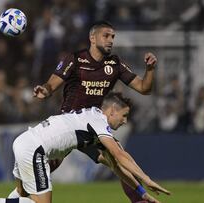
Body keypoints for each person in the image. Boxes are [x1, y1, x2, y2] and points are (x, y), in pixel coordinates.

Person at [32, 21, 157, 202]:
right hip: (68, 125)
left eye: (113, 36)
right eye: (106, 35)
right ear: (93, 38)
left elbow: (144, 88)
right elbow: (52, 83)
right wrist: (45, 90)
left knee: (121, 161)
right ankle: (14, 197)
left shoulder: (114, 64)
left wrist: (150, 69)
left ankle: (140, 200)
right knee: (44, 168)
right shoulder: (75, 59)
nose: (111, 40)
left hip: (92, 128)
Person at [0, 92, 170, 203]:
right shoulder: (98, 121)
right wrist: (147, 179)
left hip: (25, 141)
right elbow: (119, 154)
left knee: (21, 194)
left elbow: (116, 166)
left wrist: (141, 192)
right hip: (35, 149)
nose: (125, 121)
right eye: (124, 116)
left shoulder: (90, 120)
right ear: (111, 111)